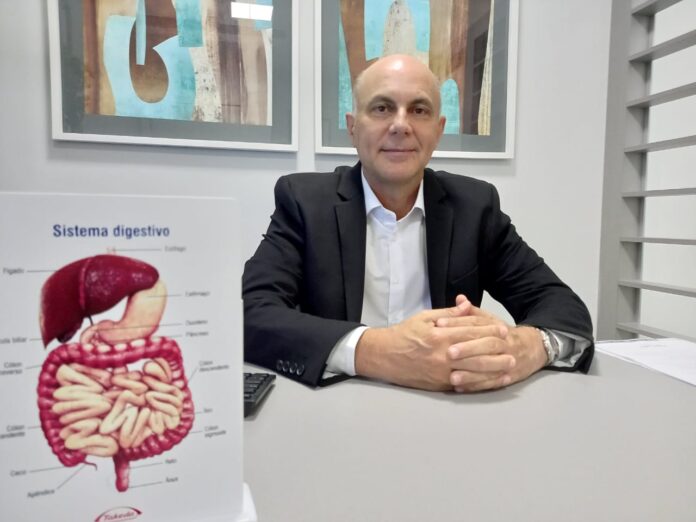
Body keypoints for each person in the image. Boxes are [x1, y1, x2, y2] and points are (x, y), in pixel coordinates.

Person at [243, 54, 593, 392]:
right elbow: (251, 312)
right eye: (382, 108)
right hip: (337, 405)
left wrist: (525, 347)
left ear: (438, 131)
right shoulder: (305, 202)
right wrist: (377, 351)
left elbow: (562, 306)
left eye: (419, 110)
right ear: (353, 127)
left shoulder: (475, 207)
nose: (401, 125)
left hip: (449, 408)